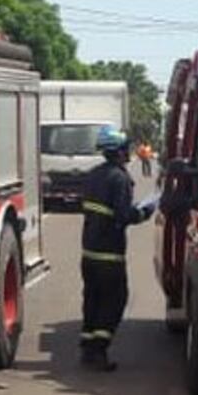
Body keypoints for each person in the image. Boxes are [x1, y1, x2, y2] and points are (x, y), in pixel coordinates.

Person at [79, 127, 156, 371]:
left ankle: (87, 348)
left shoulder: (92, 175)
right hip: (109, 254)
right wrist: (144, 211)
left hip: (89, 253)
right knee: (115, 300)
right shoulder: (120, 178)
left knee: (92, 300)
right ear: (120, 151)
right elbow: (123, 216)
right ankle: (100, 350)